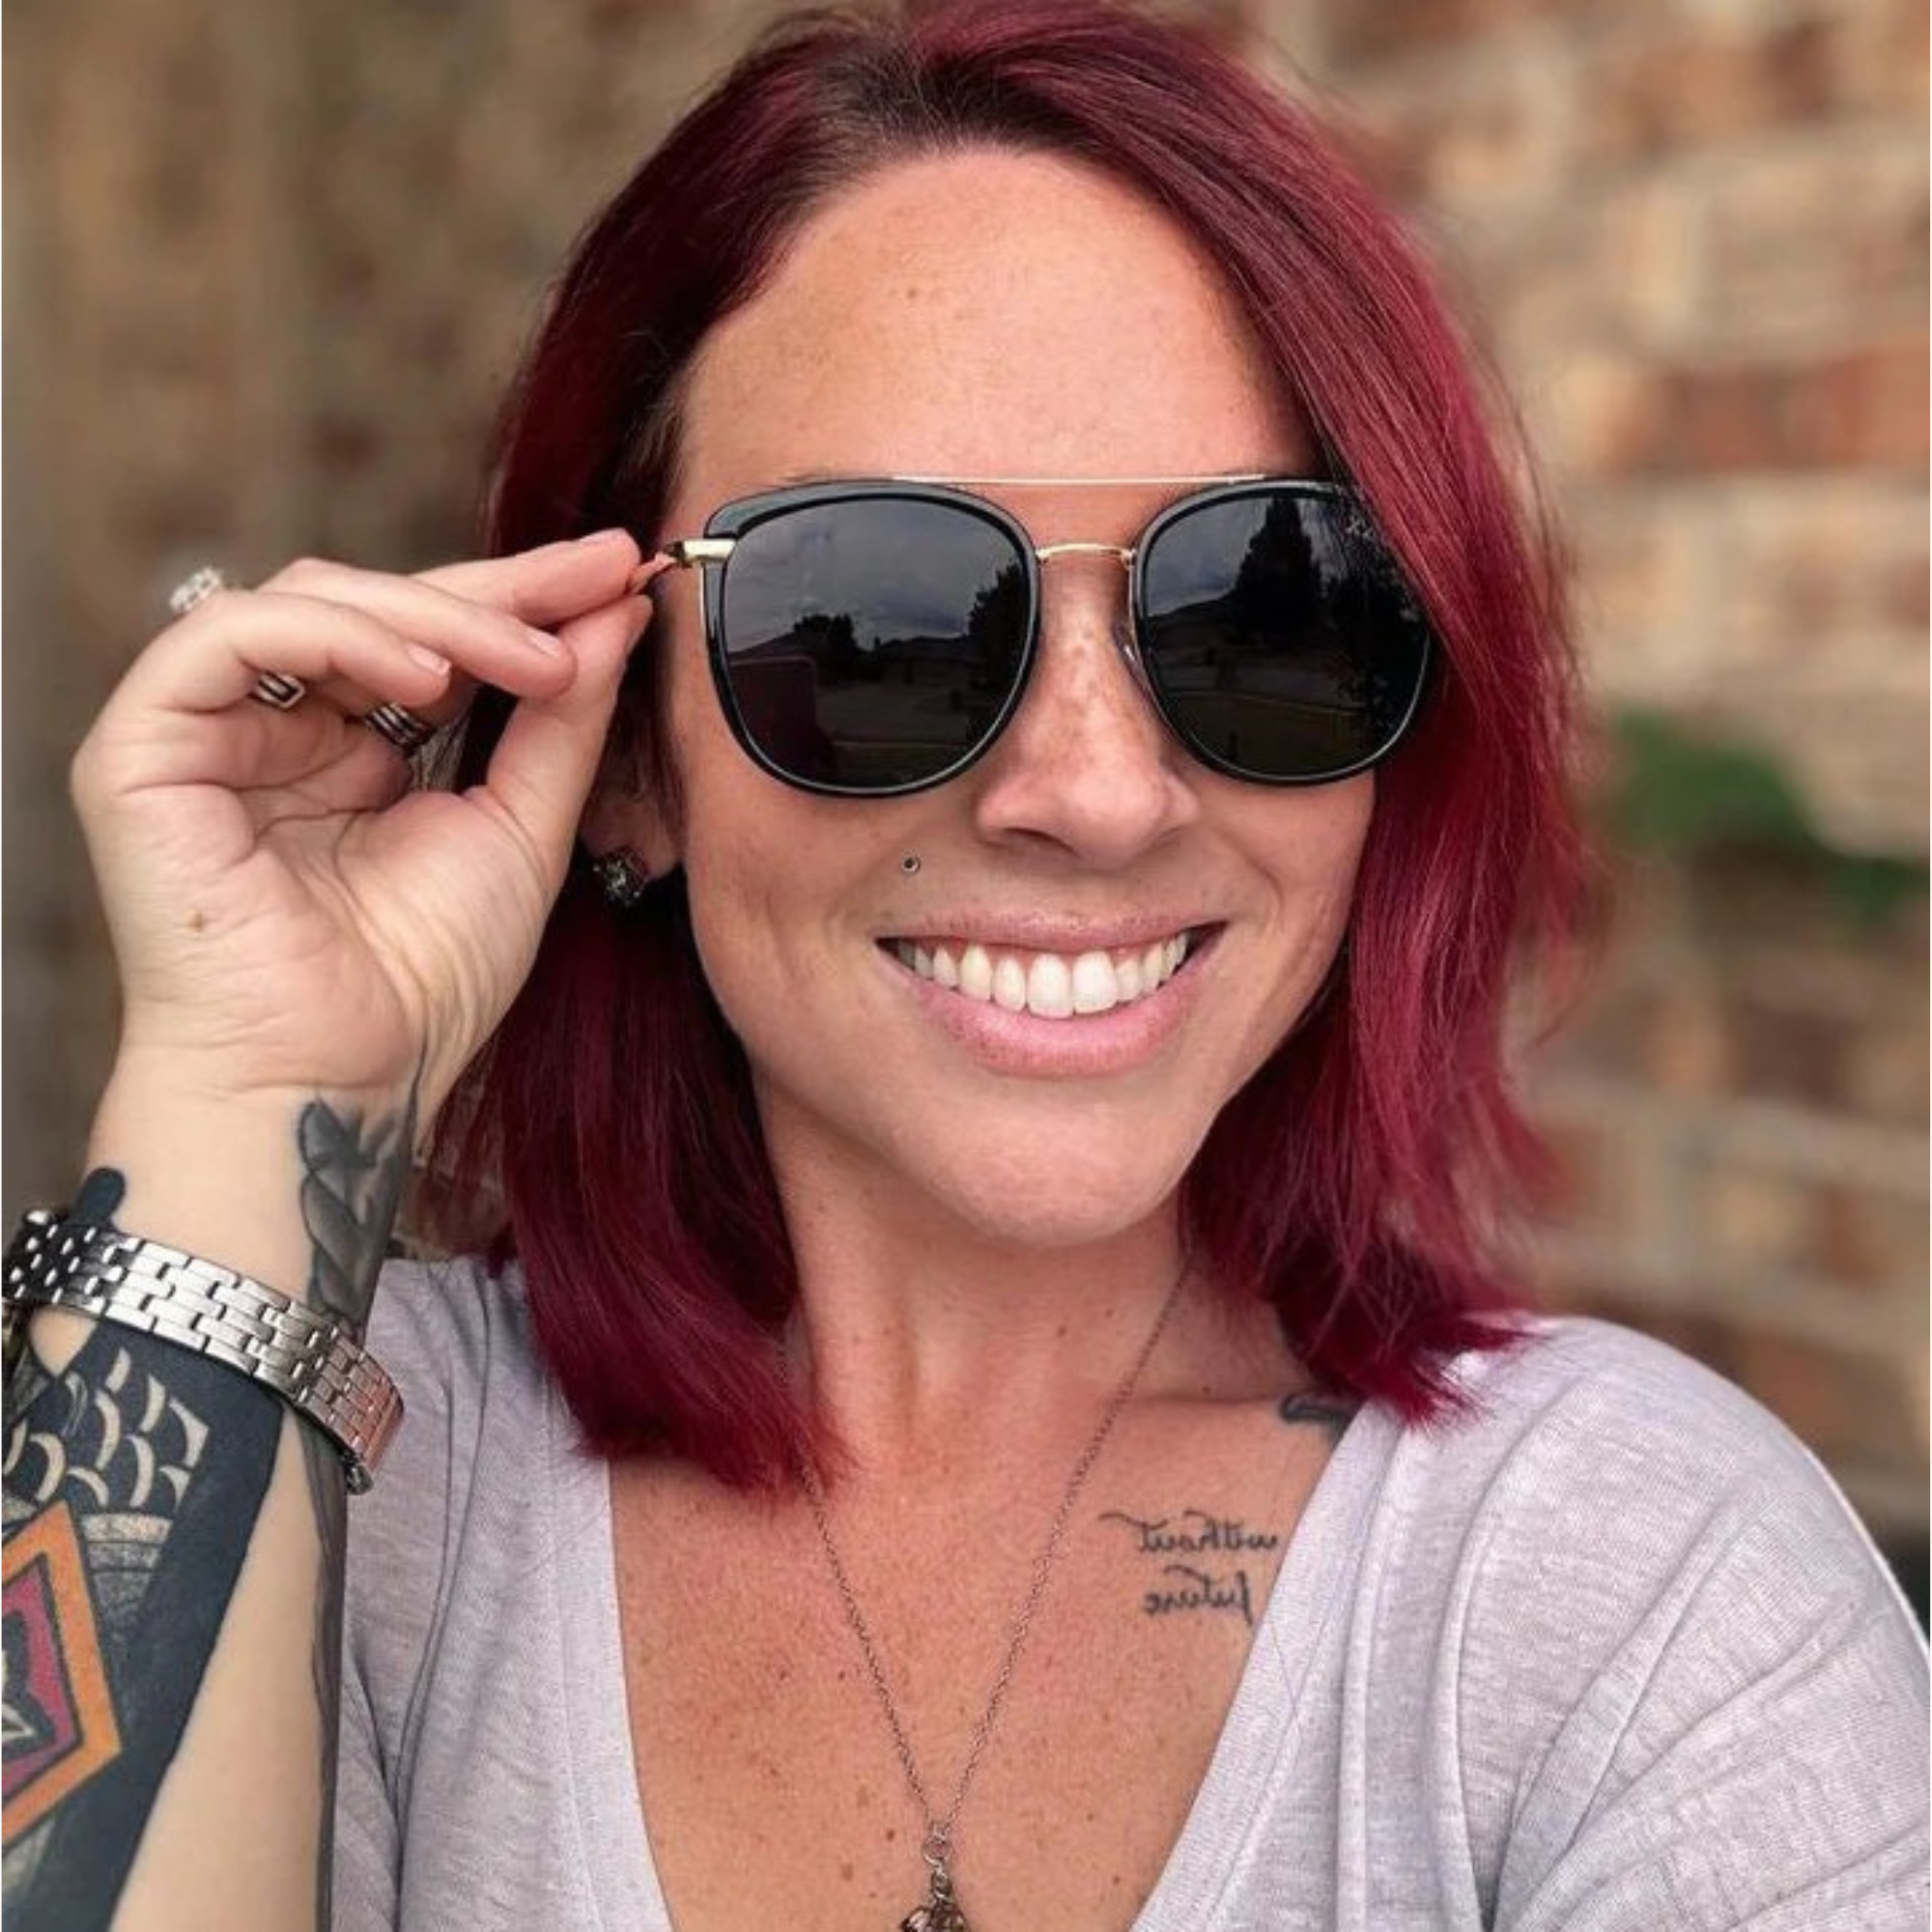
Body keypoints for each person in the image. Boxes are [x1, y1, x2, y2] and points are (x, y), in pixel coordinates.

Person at [4, 3, 1925, 1928]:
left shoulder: (1636, 1589)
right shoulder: (330, 1492)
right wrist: (258, 1081)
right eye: (880, 622)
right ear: (628, 749)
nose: (1095, 792)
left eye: (1265, 609)